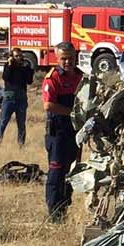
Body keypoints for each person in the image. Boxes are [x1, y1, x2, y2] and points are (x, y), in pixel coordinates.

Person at [42, 42, 85, 221]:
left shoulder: (81, 77)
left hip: (75, 131)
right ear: (57, 58)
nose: (67, 62)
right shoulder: (53, 78)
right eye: (64, 59)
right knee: (56, 171)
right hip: (58, 131)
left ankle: (65, 207)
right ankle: (54, 212)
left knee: (72, 171)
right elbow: (48, 105)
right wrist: (73, 113)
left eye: (71, 58)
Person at [0, 48, 34, 146]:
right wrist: (10, 66)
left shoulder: (25, 67)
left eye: (20, 56)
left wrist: (28, 69)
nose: (18, 58)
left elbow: (29, 81)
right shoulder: (8, 66)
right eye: (16, 56)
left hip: (21, 96)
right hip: (9, 96)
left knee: (21, 123)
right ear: (12, 57)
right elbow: (5, 77)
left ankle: (21, 144)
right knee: (3, 121)